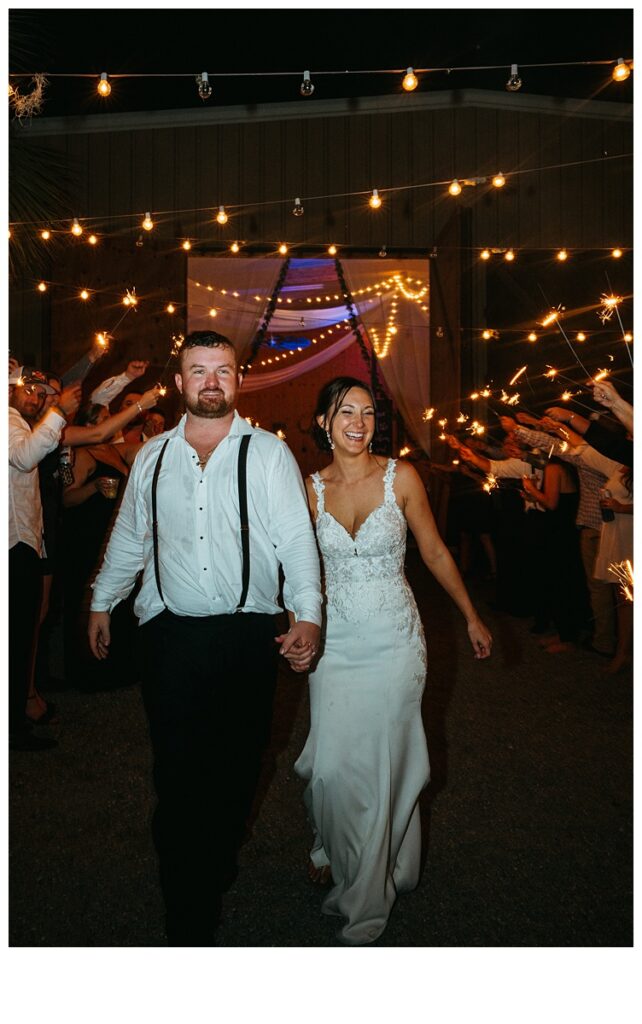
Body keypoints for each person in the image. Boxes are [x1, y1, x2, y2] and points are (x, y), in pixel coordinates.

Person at [88, 330, 321, 945]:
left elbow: (296, 540)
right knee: (177, 770)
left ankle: (215, 853)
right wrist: (101, 600)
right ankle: (185, 903)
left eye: (222, 370)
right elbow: (132, 536)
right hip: (169, 638)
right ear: (181, 381)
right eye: (198, 371)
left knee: (240, 765)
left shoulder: (269, 454)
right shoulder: (151, 455)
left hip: (247, 636)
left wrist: (308, 614)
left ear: (237, 380)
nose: (210, 381)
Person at [292, 377, 491, 945]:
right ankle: (327, 839)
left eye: (368, 411)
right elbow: (295, 569)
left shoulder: (400, 476)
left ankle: (367, 898)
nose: (359, 421)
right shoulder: (307, 490)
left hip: (394, 641)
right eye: (344, 411)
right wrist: (293, 624)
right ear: (323, 422)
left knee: (381, 764)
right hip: (334, 645)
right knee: (327, 767)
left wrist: (471, 615)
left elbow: (432, 549)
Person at [9, 366, 81, 750]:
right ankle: (15, 730)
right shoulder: (7, 419)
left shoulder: (18, 420)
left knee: (21, 635)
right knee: (17, 638)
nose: (35, 398)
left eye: (41, 394)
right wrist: (59, 412)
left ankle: (18, 721)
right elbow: (23, 458)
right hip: (13, 545)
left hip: (23, 541)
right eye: (29, 391)